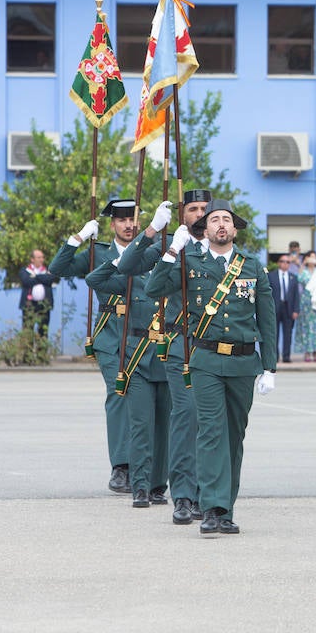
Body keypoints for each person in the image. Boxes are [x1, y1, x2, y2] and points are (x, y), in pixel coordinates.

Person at [146, 199, 277, 535]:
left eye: (227, 220)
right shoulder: (190, 261)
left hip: (244, 361)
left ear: (235, 229)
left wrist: (270, 367)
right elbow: (154, 288)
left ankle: (226, 508)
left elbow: (268, 318)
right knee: (210, 432)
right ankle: (212, 507)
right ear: (205, 229)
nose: (221, 224)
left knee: (234, 437)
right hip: (203, 360)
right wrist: (172, 251)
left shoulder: (252, 267)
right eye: (215, 220)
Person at [116, 188, 211, 525]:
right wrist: (155, 230)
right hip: (182, 347)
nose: (199, 215)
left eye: (205, 210)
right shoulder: (170, 247)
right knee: (185, 419)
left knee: (207, 424)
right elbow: (127, 265)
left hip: (215, 349)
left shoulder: (222, 251)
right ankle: (184, 496)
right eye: (193, 209)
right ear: (182, 215)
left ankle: (207, 494)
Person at [50, 197, 140, 494]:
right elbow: (58, 268)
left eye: (133, 219)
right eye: (123, 220)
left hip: (144, 335)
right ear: (113, 224)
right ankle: (121, 466)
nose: (129, 225)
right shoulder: (98, 253)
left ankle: (148, 465)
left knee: (148, 399)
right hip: (112, 334)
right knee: (119, 394)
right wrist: (77, 238)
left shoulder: (151, 250)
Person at [87, 214, 173, 510]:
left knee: (164, 425)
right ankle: (139, 485)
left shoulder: (175, 275)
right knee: (140, 423)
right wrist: (129, 254)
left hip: (167, 354)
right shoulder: (131, 274)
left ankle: (158, 485)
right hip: (137, 356)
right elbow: (94, 279)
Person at [268, 254, 301, 363]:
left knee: (288, 333)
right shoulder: (271, 276)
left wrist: (296, 310)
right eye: (282, 261)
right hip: (275, 307)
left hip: (288, 308)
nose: (285, 264)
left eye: (287, 262)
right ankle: (275, 356)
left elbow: (296, 295)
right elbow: (267, 294)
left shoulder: (293, 277)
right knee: (274, 333)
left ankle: (286, 356)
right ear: (279, 263)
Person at [18, 248, 57, 339]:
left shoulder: (48, 270)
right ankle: (27, 353)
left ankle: (42, 353)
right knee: (27, 331)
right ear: (32, 259)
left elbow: (50, 279)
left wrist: (35, 276)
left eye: (42, 257)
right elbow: (26, 281)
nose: (41, 259)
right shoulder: (25, 270)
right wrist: (43, 278)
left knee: (43, 331)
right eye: (39, 257)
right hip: (29, 305)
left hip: (44, 305)